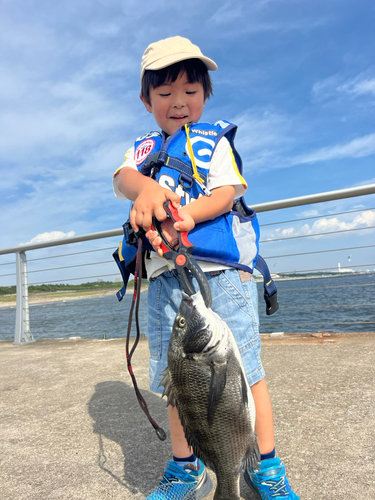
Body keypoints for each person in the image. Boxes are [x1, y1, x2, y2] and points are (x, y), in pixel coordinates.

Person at [113, 36, 299, 500]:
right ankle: (185, 468)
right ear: (146, 100)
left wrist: (191, 215)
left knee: (247, 373)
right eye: (165, 93)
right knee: (178, 385)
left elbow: (228, 191)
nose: (179, 102)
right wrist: (147, 191)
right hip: (163, 283)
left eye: (191, 91)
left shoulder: (210, 141)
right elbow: (122, 179)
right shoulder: (142, 151)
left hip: (220, 279)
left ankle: (265, 465)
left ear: (205, 95)